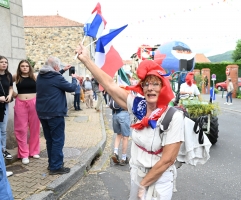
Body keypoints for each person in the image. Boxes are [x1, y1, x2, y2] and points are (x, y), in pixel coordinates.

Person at [76, 44, 184, 200]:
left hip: (160, 179)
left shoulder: (173, 117)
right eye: (146, 84)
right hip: (137, 174)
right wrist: (86, 60)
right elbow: (110, 84)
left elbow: (168, 160)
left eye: (155, 84)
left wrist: (144, 184)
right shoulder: (138, 106)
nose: (150, 88)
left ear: (163, 88)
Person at [36, 56, 77, 175]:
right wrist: (74, 78)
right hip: (55, 113)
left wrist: (64, 70)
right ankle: (56, 166)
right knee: (58, 140)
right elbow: (71, 88)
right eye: (58, 67)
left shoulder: (41, 75)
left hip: (43, 112)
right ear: (55, 66)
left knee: (50, 140)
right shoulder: (56, 77)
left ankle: (52, 163)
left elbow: (53, 78)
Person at [12, 60, 40, 165]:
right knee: (21, 129)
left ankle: (34, 151)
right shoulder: (16, 77)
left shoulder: (35, 76)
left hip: (34, 103)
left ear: (29, 67)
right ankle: (24, 154)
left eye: (26, 66)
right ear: (19, 68)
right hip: (20, 104)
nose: (24, 68)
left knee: (34, 127)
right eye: (22, 66)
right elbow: (6, 84)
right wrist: (14, 95)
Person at [0, 56, 14, 178]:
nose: (4, 64)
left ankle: (3, 150)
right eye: (1, 62)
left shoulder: (8, 76)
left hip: (5, 106)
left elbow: (10, 88)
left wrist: (10, 96)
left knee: (3, 130)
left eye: (6, 62)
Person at [109, 96, 131, 166]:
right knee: (125, 137)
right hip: (124, 113)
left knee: (119, 134)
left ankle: (115, 152)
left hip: (115, 114)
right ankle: (123, 158)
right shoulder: (125, 89)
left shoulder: (115, 90)